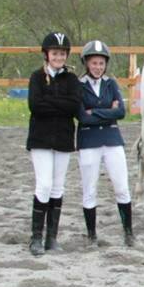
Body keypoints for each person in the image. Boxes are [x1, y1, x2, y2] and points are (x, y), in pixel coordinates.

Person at [26, 32, 82, 254]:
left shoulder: (72, 79)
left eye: (62, 53)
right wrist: (60, 104)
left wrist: (51, 101)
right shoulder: (36, 77)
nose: (59, 57)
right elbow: (35, 106)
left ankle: (52, 237)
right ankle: (36, 237)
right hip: (40, 138)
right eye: (55, 53)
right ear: (47, 54)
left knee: (58, 187)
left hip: (63, 138)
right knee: (45, 185)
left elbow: (74, 106)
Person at [75, 39, 134, 247]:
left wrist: (97, 112)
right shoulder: (79, 86)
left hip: (112, 139)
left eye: (101, 63)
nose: (98, 67)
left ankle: (128, 232)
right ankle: (91, 235)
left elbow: (121, 112)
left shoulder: (111, 83)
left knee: (121, 186)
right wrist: (108, 111)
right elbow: (82, 116)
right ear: (87, 64)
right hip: (88, 140)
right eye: (94, 63)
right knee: (89, 189)